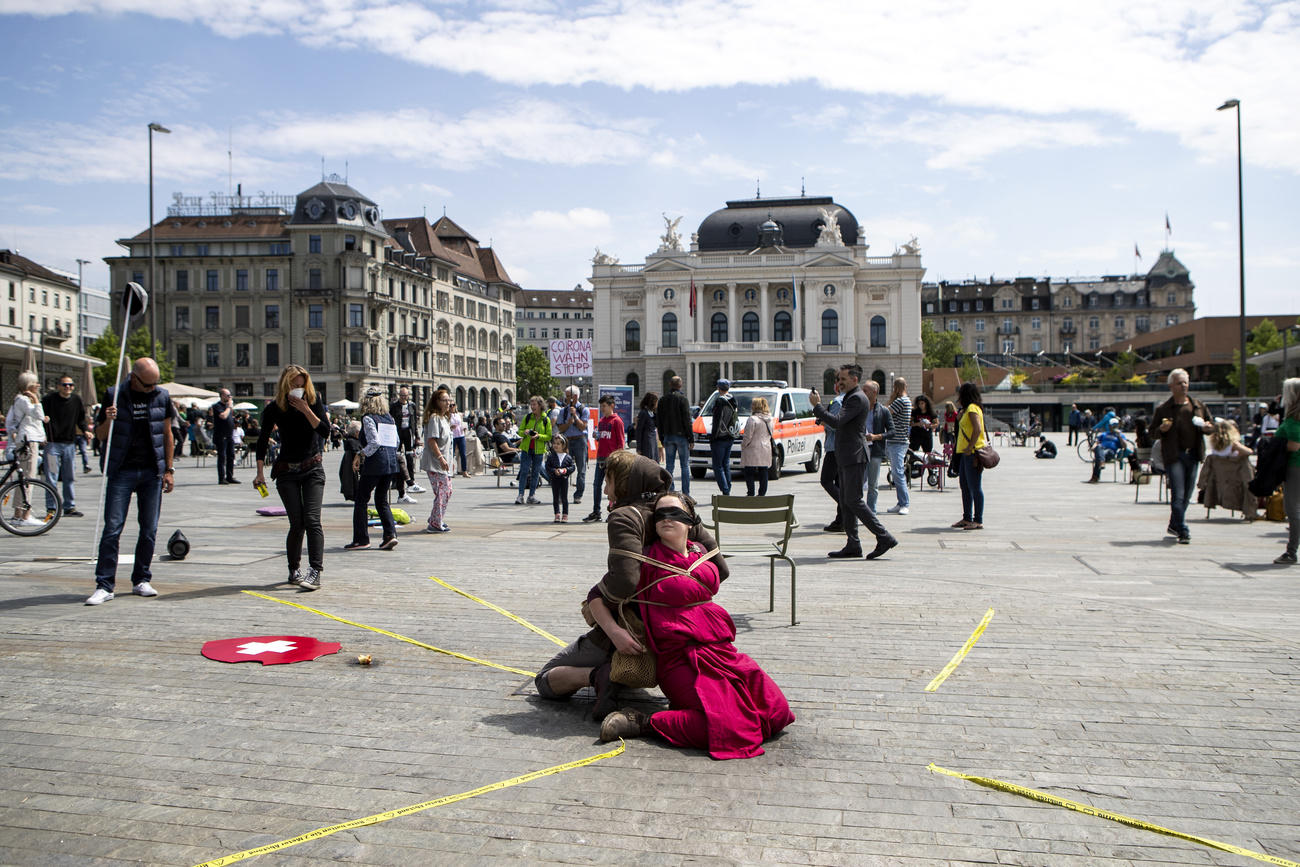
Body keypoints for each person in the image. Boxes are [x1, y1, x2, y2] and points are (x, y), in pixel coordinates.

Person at [598, 492, 794, 758]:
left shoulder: (701, 552)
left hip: (722, 651)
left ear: (690, 522)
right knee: (728, 727)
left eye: (675, 513)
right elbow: (594, 598)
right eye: (660, 515)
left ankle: (709, 714)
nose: (667, 519)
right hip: (680, 658)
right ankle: (646, 723)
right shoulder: (643, 560)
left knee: (776, 712)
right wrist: (615, 632)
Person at [534, 451, 728, 717]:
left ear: (625, 482)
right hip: (682, 633)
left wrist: (600, 605)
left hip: (631, 631)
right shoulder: (677, 509)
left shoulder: (625, 516)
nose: (604, 490)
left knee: (544, 681)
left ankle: (598, 676)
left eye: (609, 481)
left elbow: (624, 581)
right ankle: (615, 676)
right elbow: (721, 568)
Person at [86, 358, 176, 605]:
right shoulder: (114, 395)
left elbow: (168, 434)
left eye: (155, 384)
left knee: (149, 528)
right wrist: (107, 419)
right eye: (148, 385)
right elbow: (100, 436)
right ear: (133, 378)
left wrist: (169, 469)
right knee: (112, 528)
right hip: (121, 471)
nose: (152, 389)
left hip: (152, 472)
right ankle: (104, 584)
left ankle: (141, 579)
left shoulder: (162, 396)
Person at [254, 365, 330, 590]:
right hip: (286, 469)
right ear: (285, 385)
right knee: (297, 523)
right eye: (294, 384)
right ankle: (293, 569)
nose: (299, 388)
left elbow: (325, 431)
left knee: (312, 520)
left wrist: (307, 410)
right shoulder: (274, 408)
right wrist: (259, 472)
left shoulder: (313, 401)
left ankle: (315, 571)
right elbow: (262, 440)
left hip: (312, 467)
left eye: (302, 384)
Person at [811, 365, 898, 561]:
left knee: (854, 500)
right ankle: (853, 544)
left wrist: (817, 406)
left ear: (855, 380)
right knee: (846, 500)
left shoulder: (857, 398)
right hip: (847, 455)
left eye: (843, 378)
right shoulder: (852, 397)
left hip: (854, 455)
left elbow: (837, 421)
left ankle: (884, 536)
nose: (839, 382)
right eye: (838, 378)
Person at [1150, 368, 1214, 545]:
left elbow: (1211, 425)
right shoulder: (1164, 409)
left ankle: (1174, 523)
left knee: (1187, 494)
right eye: (1179, 383)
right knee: (1178, 494)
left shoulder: (1198, 406)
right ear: (1171, 386)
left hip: (1193, 454)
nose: (1184, 385)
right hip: (1174, 455)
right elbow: (1152, 432)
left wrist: (1208, 427)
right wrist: (1161, 430)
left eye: (1186, 382)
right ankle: (1183, 529)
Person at [348, 389, 400, 551]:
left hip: (375, 464)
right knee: (382, 500)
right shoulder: (389, 418)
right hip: (391, 463)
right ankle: (390, 535)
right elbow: (396, 441)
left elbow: (374, 442)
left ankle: (361, 538)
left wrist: (360, 454)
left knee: (361, 500)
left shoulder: (368, 419)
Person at [41, 374, 88, 518]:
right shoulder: (49, 400)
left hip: (69, 445)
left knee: (69, 476)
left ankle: (69, 506)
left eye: (71, 385)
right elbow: (39, 416)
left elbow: (81, 418)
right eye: (65, 385)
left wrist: (86, 431)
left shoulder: (76, 400)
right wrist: (42, 433)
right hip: (52, 445)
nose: (68, 387)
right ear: (58, 386)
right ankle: (52, 507)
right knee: (52, 476)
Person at [5, 371, 48, 527]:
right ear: (29, 385)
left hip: (26, 439)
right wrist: (36, 400)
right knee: (28, 479)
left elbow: (12, 420)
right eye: (36, 383)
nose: (38, 385)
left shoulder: (18, 400)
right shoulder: (24, 400)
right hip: (29, 441)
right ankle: (24, 515)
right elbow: (39, 415)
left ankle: (18, 514)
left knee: (22, 479)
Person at [583, 394, 625, 522]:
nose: (602, 409)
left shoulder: (617, 421)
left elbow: (621, 442)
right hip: (601, 457)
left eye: (604, 406)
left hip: (612, 458)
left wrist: (618, 458)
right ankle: (596, 511)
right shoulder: (601, 421)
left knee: (612, 486)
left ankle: (613, 510)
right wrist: (597, 436)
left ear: (612, 406)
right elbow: (600, 438)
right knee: (597, 484)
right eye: (601, 406)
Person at [953, 381, 986, 531]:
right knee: (965, 486)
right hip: (964, 453)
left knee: (974, 487)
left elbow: (978, 429)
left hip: (971, 453)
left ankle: (977, 519)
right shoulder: (967, 409)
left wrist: (970, 446)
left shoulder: (973, 408)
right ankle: (967, 517)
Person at [420, 390, 454, 533]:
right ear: (437, 402)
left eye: (449, 400)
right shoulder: (434, 418)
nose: (448, 403)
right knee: (442, 491)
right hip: (435, 462)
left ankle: (436, 518)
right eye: (444, 400)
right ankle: (435, 522)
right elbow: (431, 440)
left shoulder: (444, 418)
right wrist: (440, 458)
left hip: (444, 461)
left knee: (447, 490)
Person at [1275, 378, 1300, 565]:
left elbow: (1292, 444)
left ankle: (1291, 551)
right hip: (1293, 466)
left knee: (1293, 510)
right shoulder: (1291, 418)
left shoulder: (1293, 420)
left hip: (1295, 467)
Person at [657, 376, 693, 495]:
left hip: (668, 435)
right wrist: (691, 438)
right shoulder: (683, 399)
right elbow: (687, 420)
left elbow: (659, 420)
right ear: (680, 385)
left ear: (670, 385)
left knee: (669, 466)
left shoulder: (663, 400)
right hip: (682, 436)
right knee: (684, 466)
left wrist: (662, 437)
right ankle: (686, 493)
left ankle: (670, 491)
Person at [514, 395, 552, 505]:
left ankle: (531, 495)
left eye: (534, 404)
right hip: (526, 449)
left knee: (536, 473)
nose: (532, 406)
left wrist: (539, 436)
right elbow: (520, 431)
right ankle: (520, 495)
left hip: (538, 450)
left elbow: (549, 436)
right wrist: (524, 432)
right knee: (524, 471)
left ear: (540, 405)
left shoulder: (546, 419)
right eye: (531, 404)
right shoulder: (527, 417)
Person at [555, 386, 590, 505]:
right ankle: (561, 494)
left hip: (580, 440)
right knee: (563, 467)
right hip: (567, 440)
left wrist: (575, 416)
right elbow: (560, 428)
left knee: (581, 469)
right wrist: (568, 423)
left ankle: (578, 494)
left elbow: (582, 427)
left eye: (568, 396)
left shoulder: (583, 410)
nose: (566, 398)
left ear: (575, 397)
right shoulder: (563, 411)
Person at [390, 386, 424, 504]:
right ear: (399, 395)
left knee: (410, 457)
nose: (404, 397)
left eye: (405, 395)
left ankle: (411, 481)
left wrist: (417, 436)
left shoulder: (412, 406)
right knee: (398, 457)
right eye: (402, 395)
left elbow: (414, 421)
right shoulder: (394, 406)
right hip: (398, 433)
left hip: (408, 432)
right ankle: (396, 480)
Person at [819, 381, 845, 532]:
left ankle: (846, 506)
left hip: (834, 447)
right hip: (843, 448)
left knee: (826, 480)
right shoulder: (850, 400)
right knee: (840, 483)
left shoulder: (837, 401)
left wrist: (823, 420)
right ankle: (841, 520)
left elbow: (835, 424)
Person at [861, 380, 891, 514]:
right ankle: (858, 510)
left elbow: (892, 431)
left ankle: (871, 511)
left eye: (865, 390)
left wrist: (876, 436)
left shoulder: (883, 410)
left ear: (874, 392)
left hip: (875, 450)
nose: (862, 393)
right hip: (860, 450)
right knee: (858, 483)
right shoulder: (859, 408)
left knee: (873, 484)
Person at [884, 377, 912, 515]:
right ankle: (901, 502)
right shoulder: (906, 400)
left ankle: (904, 503)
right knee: (896, 473)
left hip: (898, 441)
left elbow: (885, 412)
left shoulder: (900, 401)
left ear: (895, 388)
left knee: (898, 473)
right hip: (897, 441)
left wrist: (891, 398)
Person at [740, 395, 774, 496]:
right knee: (763, 471)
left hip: (752, 449)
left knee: (749, 472)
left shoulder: (752, 419)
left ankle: (751, 493)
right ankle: (762, 494)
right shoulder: (769, 419)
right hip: (766, 448)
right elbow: (771, 433)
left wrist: (743, 445)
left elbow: (747, 436)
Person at [709, 379, 738, 495]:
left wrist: (713, 437)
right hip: (730, 436)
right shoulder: (733, 400)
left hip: (720, 437)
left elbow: (717, 422)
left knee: (717, 466)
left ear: (718, 388)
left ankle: (725, 490)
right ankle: (728, 487)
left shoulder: (720, 401)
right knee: (726, 464)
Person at [1087, 418, 1130, 483]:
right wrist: (1093, 447)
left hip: (1111, 452)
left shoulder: (1120, 435)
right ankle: (1101, 462)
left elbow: (1125, 446)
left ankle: (1095, 477)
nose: (1113, 427)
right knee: (1099, 448)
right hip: (1101, 450)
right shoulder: (1104, 434)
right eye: (1112, 426)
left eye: (1115, 426)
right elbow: (1097, 442)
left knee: (1100, 455)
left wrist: (1119, 436)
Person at [545, 433, 576, 523]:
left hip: (564, 479)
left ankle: (565, 514)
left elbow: (572, 467)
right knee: (555, 497)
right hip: (555, 479)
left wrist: (565, 470)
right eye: (554, 443)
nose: (556, 445)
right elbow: (548, 467)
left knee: (564, 497)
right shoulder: (551, 456)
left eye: (558, 444)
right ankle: (557, 513)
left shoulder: (568, 457)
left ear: (563, 445)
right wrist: (554, 470)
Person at [212, 388, 239, 485]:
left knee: (231, 456)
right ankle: (221, 478)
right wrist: (229, 408)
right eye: (228, 395)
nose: (230, 397)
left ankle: (230, 476)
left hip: (229, 435)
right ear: (222, 396)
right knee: (222, 457)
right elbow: (223, 416)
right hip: (221, 435)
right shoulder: (217, 406)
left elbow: (229, 418)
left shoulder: (228, 407)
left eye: (230, 395)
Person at [633, 392, 660, 462]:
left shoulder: (653, 413)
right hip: (646, 442)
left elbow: (657, 424)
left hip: (653, 441)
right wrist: (639, 447)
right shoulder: (643, 413)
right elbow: (639, 431)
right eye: (656, 402)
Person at [448, 400, 470, 478]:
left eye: (453, 405)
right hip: (452, 436)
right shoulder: (447, 415)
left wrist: (464, 428)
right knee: (451, 454)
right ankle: (451, 471)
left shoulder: (459, 414)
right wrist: (450, 427)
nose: (452, 407)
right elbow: (445, 426)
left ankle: (464, 471)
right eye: (450, 405)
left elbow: (462, 423)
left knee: (463, 454)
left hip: (461, 435)